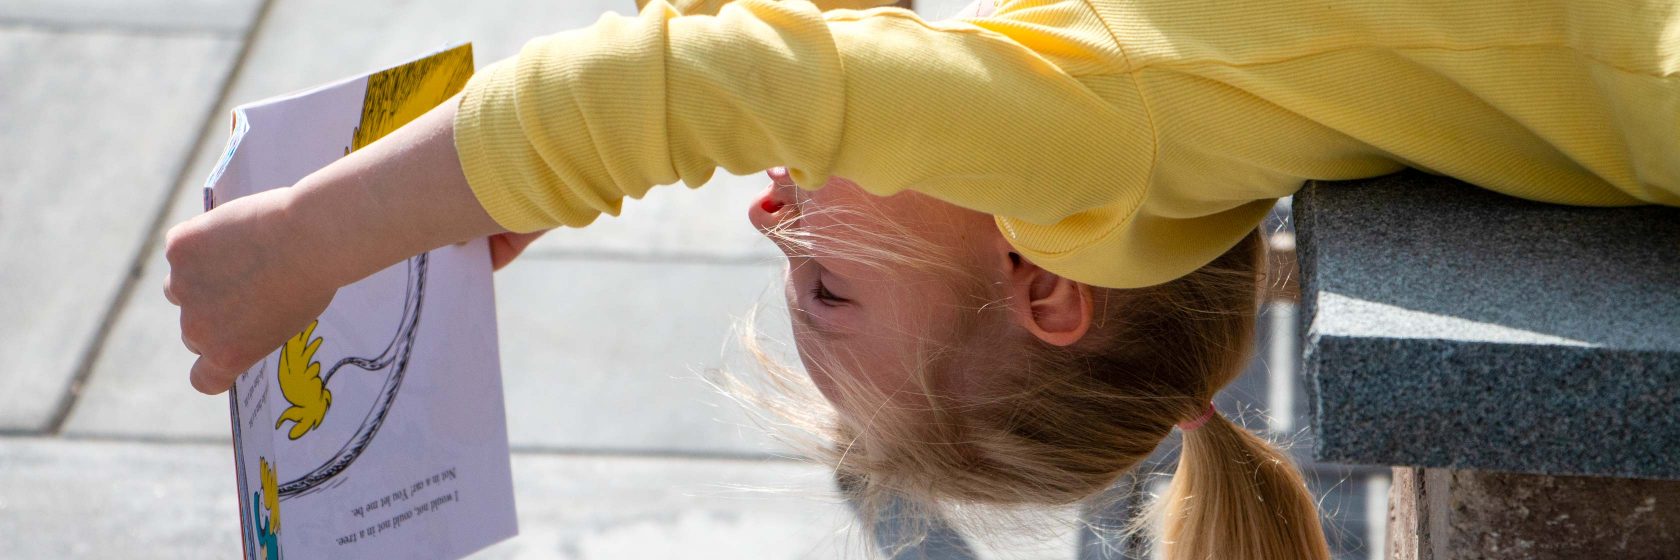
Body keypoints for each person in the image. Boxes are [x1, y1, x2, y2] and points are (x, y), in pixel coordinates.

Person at [163, 0, 1680, 558]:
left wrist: (502, 196)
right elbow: (697, 81)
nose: (774, 215)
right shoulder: (1087, 165)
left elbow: (765, 39)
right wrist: (313, 243)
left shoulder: (1098, 139)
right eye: (830, 292)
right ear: (1045, 296)